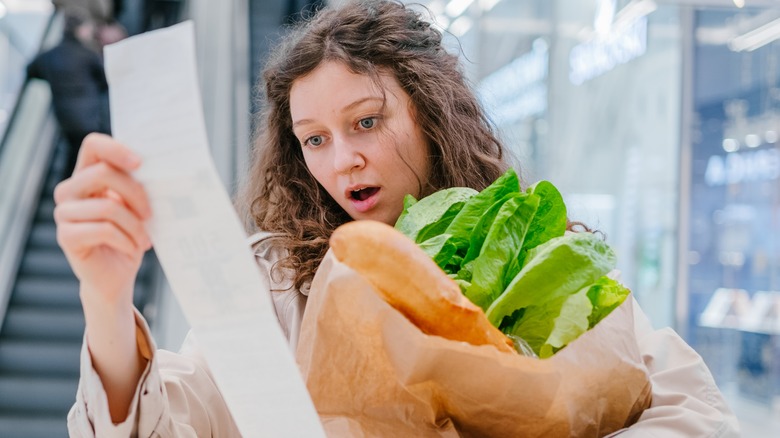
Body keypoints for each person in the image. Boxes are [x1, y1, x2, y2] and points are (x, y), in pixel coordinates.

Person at [55, 0, 740, 436]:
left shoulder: (538, 252)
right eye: (315, 139)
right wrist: (106, 299)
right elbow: (177, 418)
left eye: (367, 121)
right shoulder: (275, 277)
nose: (342, 160)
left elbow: (688, 408)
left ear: (433, 115)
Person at [27, 11, 110, 181]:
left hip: (65, 118)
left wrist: (54, 78)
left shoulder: (49, 56)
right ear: (79, 30)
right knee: (92, 151)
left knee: (74, 153)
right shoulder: (87, 54)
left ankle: (67, 189)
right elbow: (105, 80)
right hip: (88, 116)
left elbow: (30, 70)